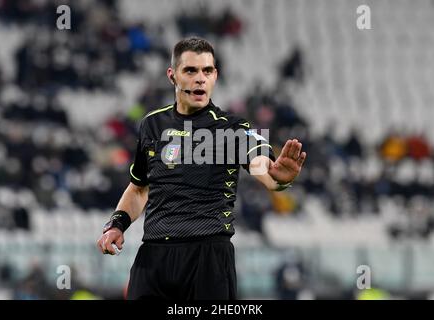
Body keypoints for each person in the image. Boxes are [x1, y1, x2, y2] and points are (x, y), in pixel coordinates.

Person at [97, 37, 307, 300]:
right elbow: (139, 189)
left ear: (215, 75)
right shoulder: (152, 125)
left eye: (207, 71)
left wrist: (278, 179)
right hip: (153, 258)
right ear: (172, 76)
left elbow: (261, 164)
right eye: (191, 70)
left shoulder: (232, 129)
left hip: (207, 260)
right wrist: (117, 225)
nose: (200, 78)